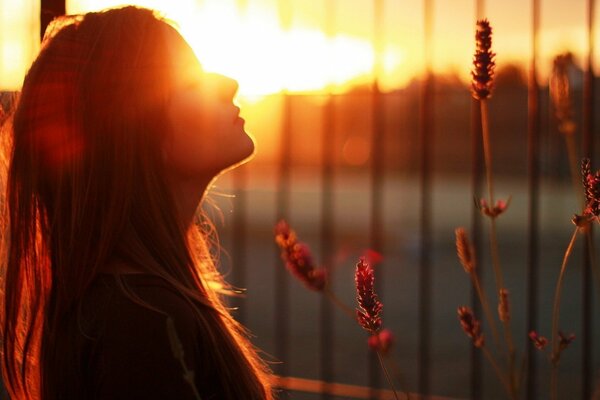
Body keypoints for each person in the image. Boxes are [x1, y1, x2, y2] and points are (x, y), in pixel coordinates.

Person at [0, 6, 274, 399]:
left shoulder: (133, 304)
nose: (228, 82)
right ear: (135, 133)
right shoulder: (143, 322)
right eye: (191, 83)